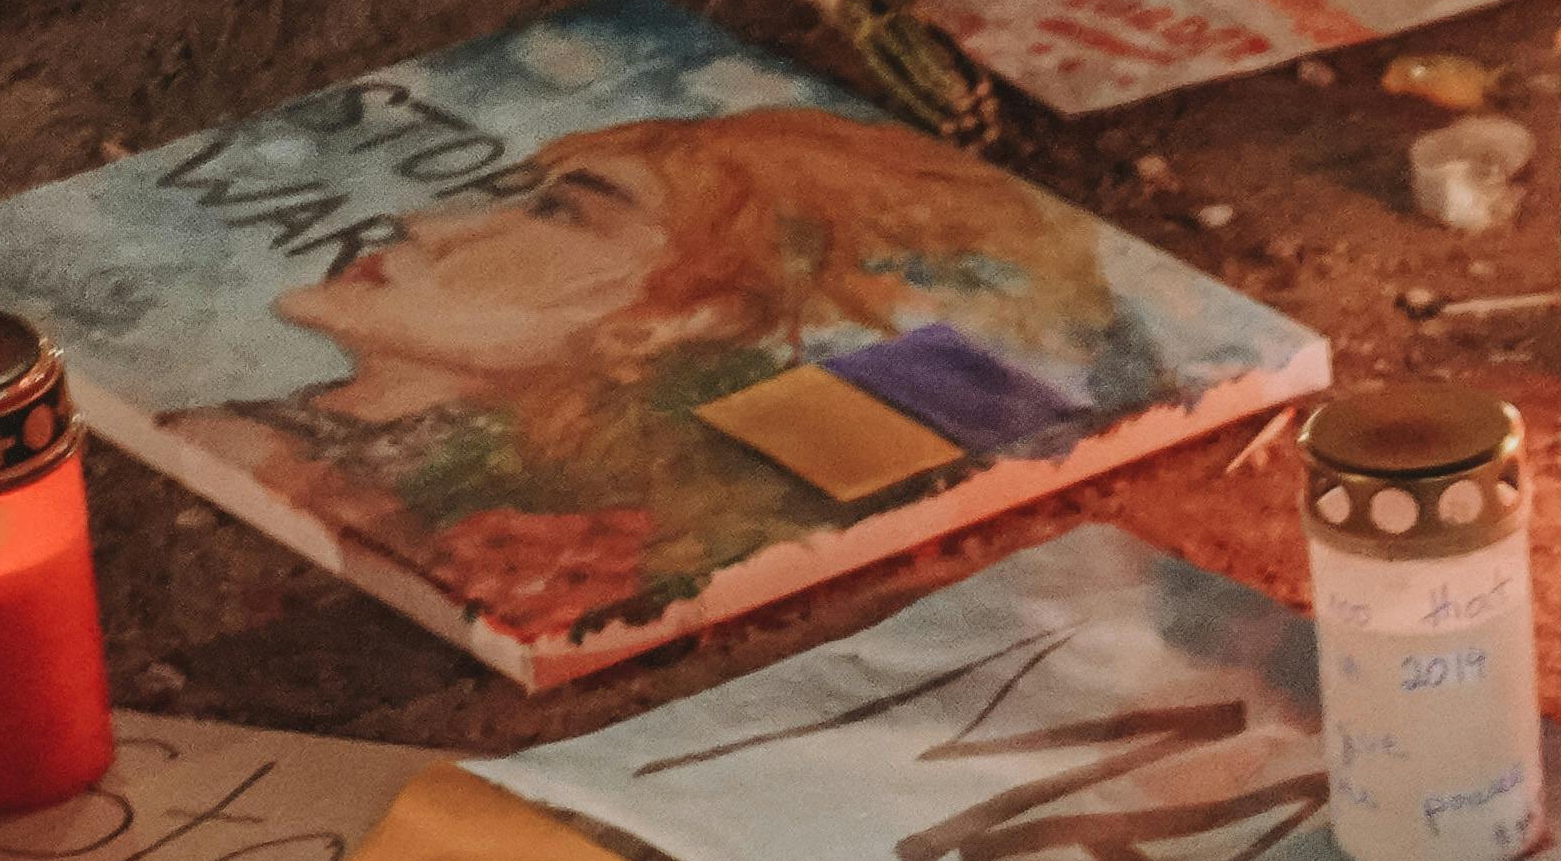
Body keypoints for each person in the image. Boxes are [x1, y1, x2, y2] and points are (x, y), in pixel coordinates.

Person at [183, 103, 1129, 645]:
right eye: (514, 200)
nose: (427, 225)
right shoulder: (257, 444)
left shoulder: (616, 502)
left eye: (560, 214)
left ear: (688, 314)